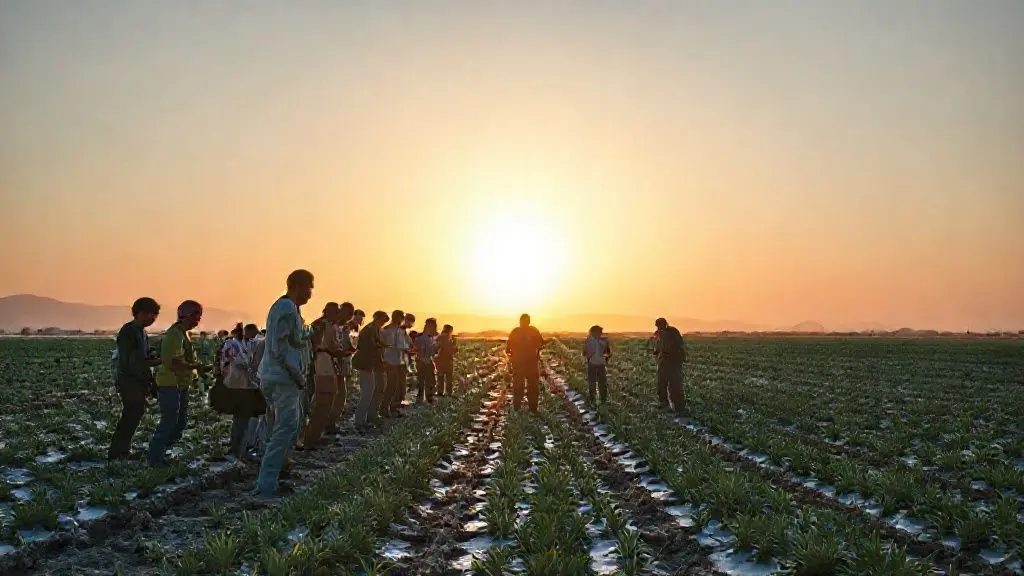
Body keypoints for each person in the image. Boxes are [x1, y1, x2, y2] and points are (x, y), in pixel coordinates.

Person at [256, 269, 314, 499]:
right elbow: (279, 348)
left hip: (278, 377)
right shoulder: (287, 308)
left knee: (280, 427)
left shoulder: (287, 309)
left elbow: (294, 340)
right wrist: (297, 375)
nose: (310, 294)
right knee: (286, 428)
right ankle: (267, 483)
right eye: (309, 288)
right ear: (298, 286)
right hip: (283, 379)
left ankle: (274, 475)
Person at [148, 301, 207, 466]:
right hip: (170, 384)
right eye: (198, 316)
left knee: (180, 423)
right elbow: (172, 362)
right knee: (169, 422)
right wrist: (193, 366)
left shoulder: (183, 333)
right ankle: (154, 458)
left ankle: (160, 452)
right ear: (188, 315)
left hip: (180, 384)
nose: (199, 320)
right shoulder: (175, 335)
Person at [108, 297, 162, 460]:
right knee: (131, 414)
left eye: (155, 316)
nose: (153, 319)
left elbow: (143, 355)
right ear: (140, 313)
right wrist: (160, 360)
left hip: (137, 380)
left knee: (134, 414)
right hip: (130, 380)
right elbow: (133, 361)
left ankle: (122, 450)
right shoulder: (129, 332)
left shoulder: (141, 332)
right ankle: (118, 453)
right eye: (151, 315)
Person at [303, 302, 343, 448]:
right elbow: (326, 345)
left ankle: (314, 436)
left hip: (325, 363)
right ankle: (311, 438)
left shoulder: (323, 324)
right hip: (323, 363)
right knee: (324, 402)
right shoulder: (322, 325)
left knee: (326, 401)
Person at [353, 310, 388, 433]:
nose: (383, 324)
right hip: (365, 364)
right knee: (367, 394)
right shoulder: (369, 330)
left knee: (370, 392)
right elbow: (370, 347)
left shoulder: (373, 329)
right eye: (382, 321)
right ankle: (359, 422)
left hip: (369, 365)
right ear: (376, 318)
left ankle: (363, 420)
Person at [325, 302, 356, 435]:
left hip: (339, 364)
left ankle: (331, 423)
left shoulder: (343, 327)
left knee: (339, 395)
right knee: (335, 396)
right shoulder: (332, 326)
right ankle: (328, 424)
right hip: (331, 365)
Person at [506, 314, 545, 412]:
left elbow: (508, 348)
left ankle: (517, 408)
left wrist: (513, 353)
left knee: (519, 385)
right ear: (529, 321)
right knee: (532, 385)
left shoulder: (515, 332)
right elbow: (541, 343)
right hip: (530, 362)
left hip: (519, 363)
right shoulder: (534, 331)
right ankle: (532, 408)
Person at [653, 317, 686, 414]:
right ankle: (665, 404)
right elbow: (657, 348)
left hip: (673, 361)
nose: (658, 328)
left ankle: (678, 406)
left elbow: (678, 344)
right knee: (662, 383)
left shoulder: (672, 331)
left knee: (674, 384)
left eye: (659, 325)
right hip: (664, 361)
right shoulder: (659, 333)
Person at [381, 310, 409, 418]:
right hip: (391, 361)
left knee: (394, 386)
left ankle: (390, 408)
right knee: (391, 386)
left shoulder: (395, 330)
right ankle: (385, 409)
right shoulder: (391, 330)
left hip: (395, 361)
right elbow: (397, 345)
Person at [583, 325, 612, 404]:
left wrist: (607, 355)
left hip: (601, 365)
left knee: (602, 383)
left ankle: (603, 400)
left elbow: (608, 353)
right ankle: (593, 400)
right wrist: (589, 355)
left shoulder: (604, 341)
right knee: (592, 383)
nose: (600, 333)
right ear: (593, 332)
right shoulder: (588, 341)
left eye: (600, 332)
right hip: (592, 364)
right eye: (599, 332)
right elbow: (584, 353)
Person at [415, 319, 439, 403]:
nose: (435, 329)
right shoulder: (422, 338)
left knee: (430, 381)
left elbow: (433, 352)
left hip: (428, 361)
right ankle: (422, 398)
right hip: (424, 362)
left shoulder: (430, 338)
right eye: (433, 327)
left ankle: (427, 397)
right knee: (424, 381)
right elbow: (420, 351)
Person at [435, 324, 458, 397]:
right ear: (450, 330)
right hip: (447, 360)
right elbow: (453, 350)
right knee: (448, 378)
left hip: (440, 360)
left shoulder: (439, 337)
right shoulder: (449, 339)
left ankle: (440, 392)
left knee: (440, 377)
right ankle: (448, 393)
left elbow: (435, 348)